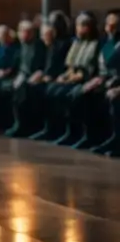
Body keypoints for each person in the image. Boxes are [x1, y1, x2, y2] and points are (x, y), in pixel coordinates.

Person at [36, 12, 99, 144]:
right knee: (50, 90)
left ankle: (78, 133)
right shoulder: (76, 42)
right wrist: (64, 77)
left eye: (82, 26)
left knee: (68, 94)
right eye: (78, 25)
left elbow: (89, 69)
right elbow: (70, 65)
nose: (79, 29)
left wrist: (71, 79)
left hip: (85, 79)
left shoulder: (95, 44)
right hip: (72, 76)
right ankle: (55, 129)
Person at [69, 11, 119, 149]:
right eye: (108, 24)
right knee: (84, 93)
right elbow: (102, 69)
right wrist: (97, 80)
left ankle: (116, 140)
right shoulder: (105, 43)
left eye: (115, 25)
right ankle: (91, 136)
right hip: (106, 81)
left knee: (113, 98)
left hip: (116, 84)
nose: (110, 27)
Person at [3, 20, 46, 137]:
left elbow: (41, 65)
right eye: (23, 32)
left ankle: (23, 125)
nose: (25, 35)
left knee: (23, 91)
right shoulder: (21, 46)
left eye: (28, 32)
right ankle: (14, 123)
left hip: (33, 76)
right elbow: (18, 65)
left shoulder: (38, 45)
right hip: (21, 75)